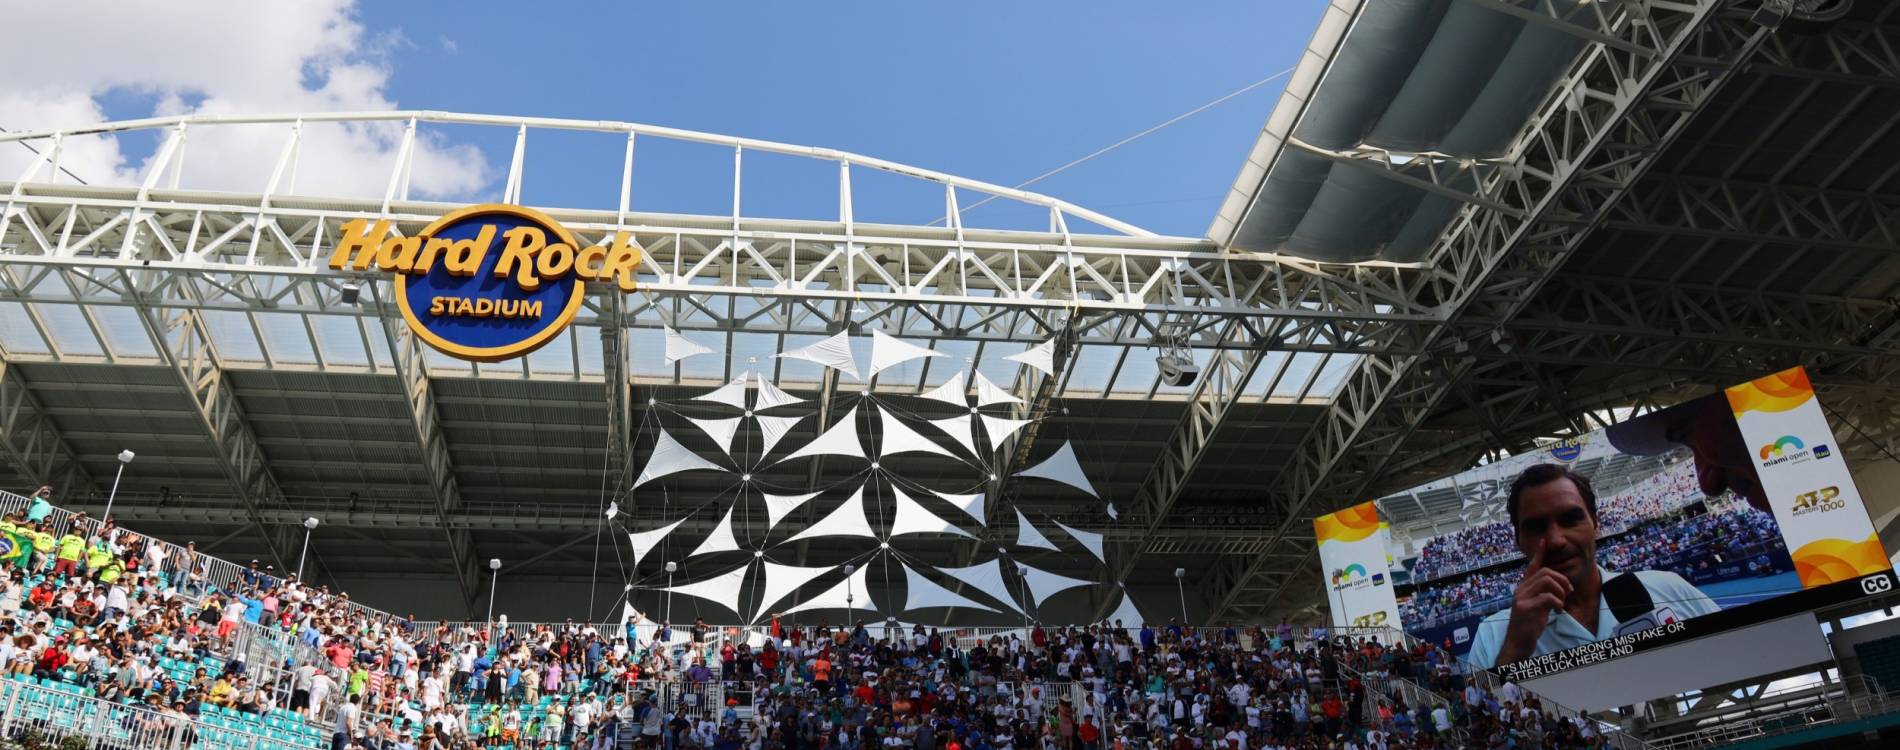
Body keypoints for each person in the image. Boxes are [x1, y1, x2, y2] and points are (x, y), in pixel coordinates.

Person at [1467, 464, 1720, 668]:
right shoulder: (1492, 635)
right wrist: (1513, 653)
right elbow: (1482, 726)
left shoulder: (1669, 588)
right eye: (1536, 527)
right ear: (1518, 541)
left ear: (1596, 524)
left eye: (1570, 519)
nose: (1556, 540)